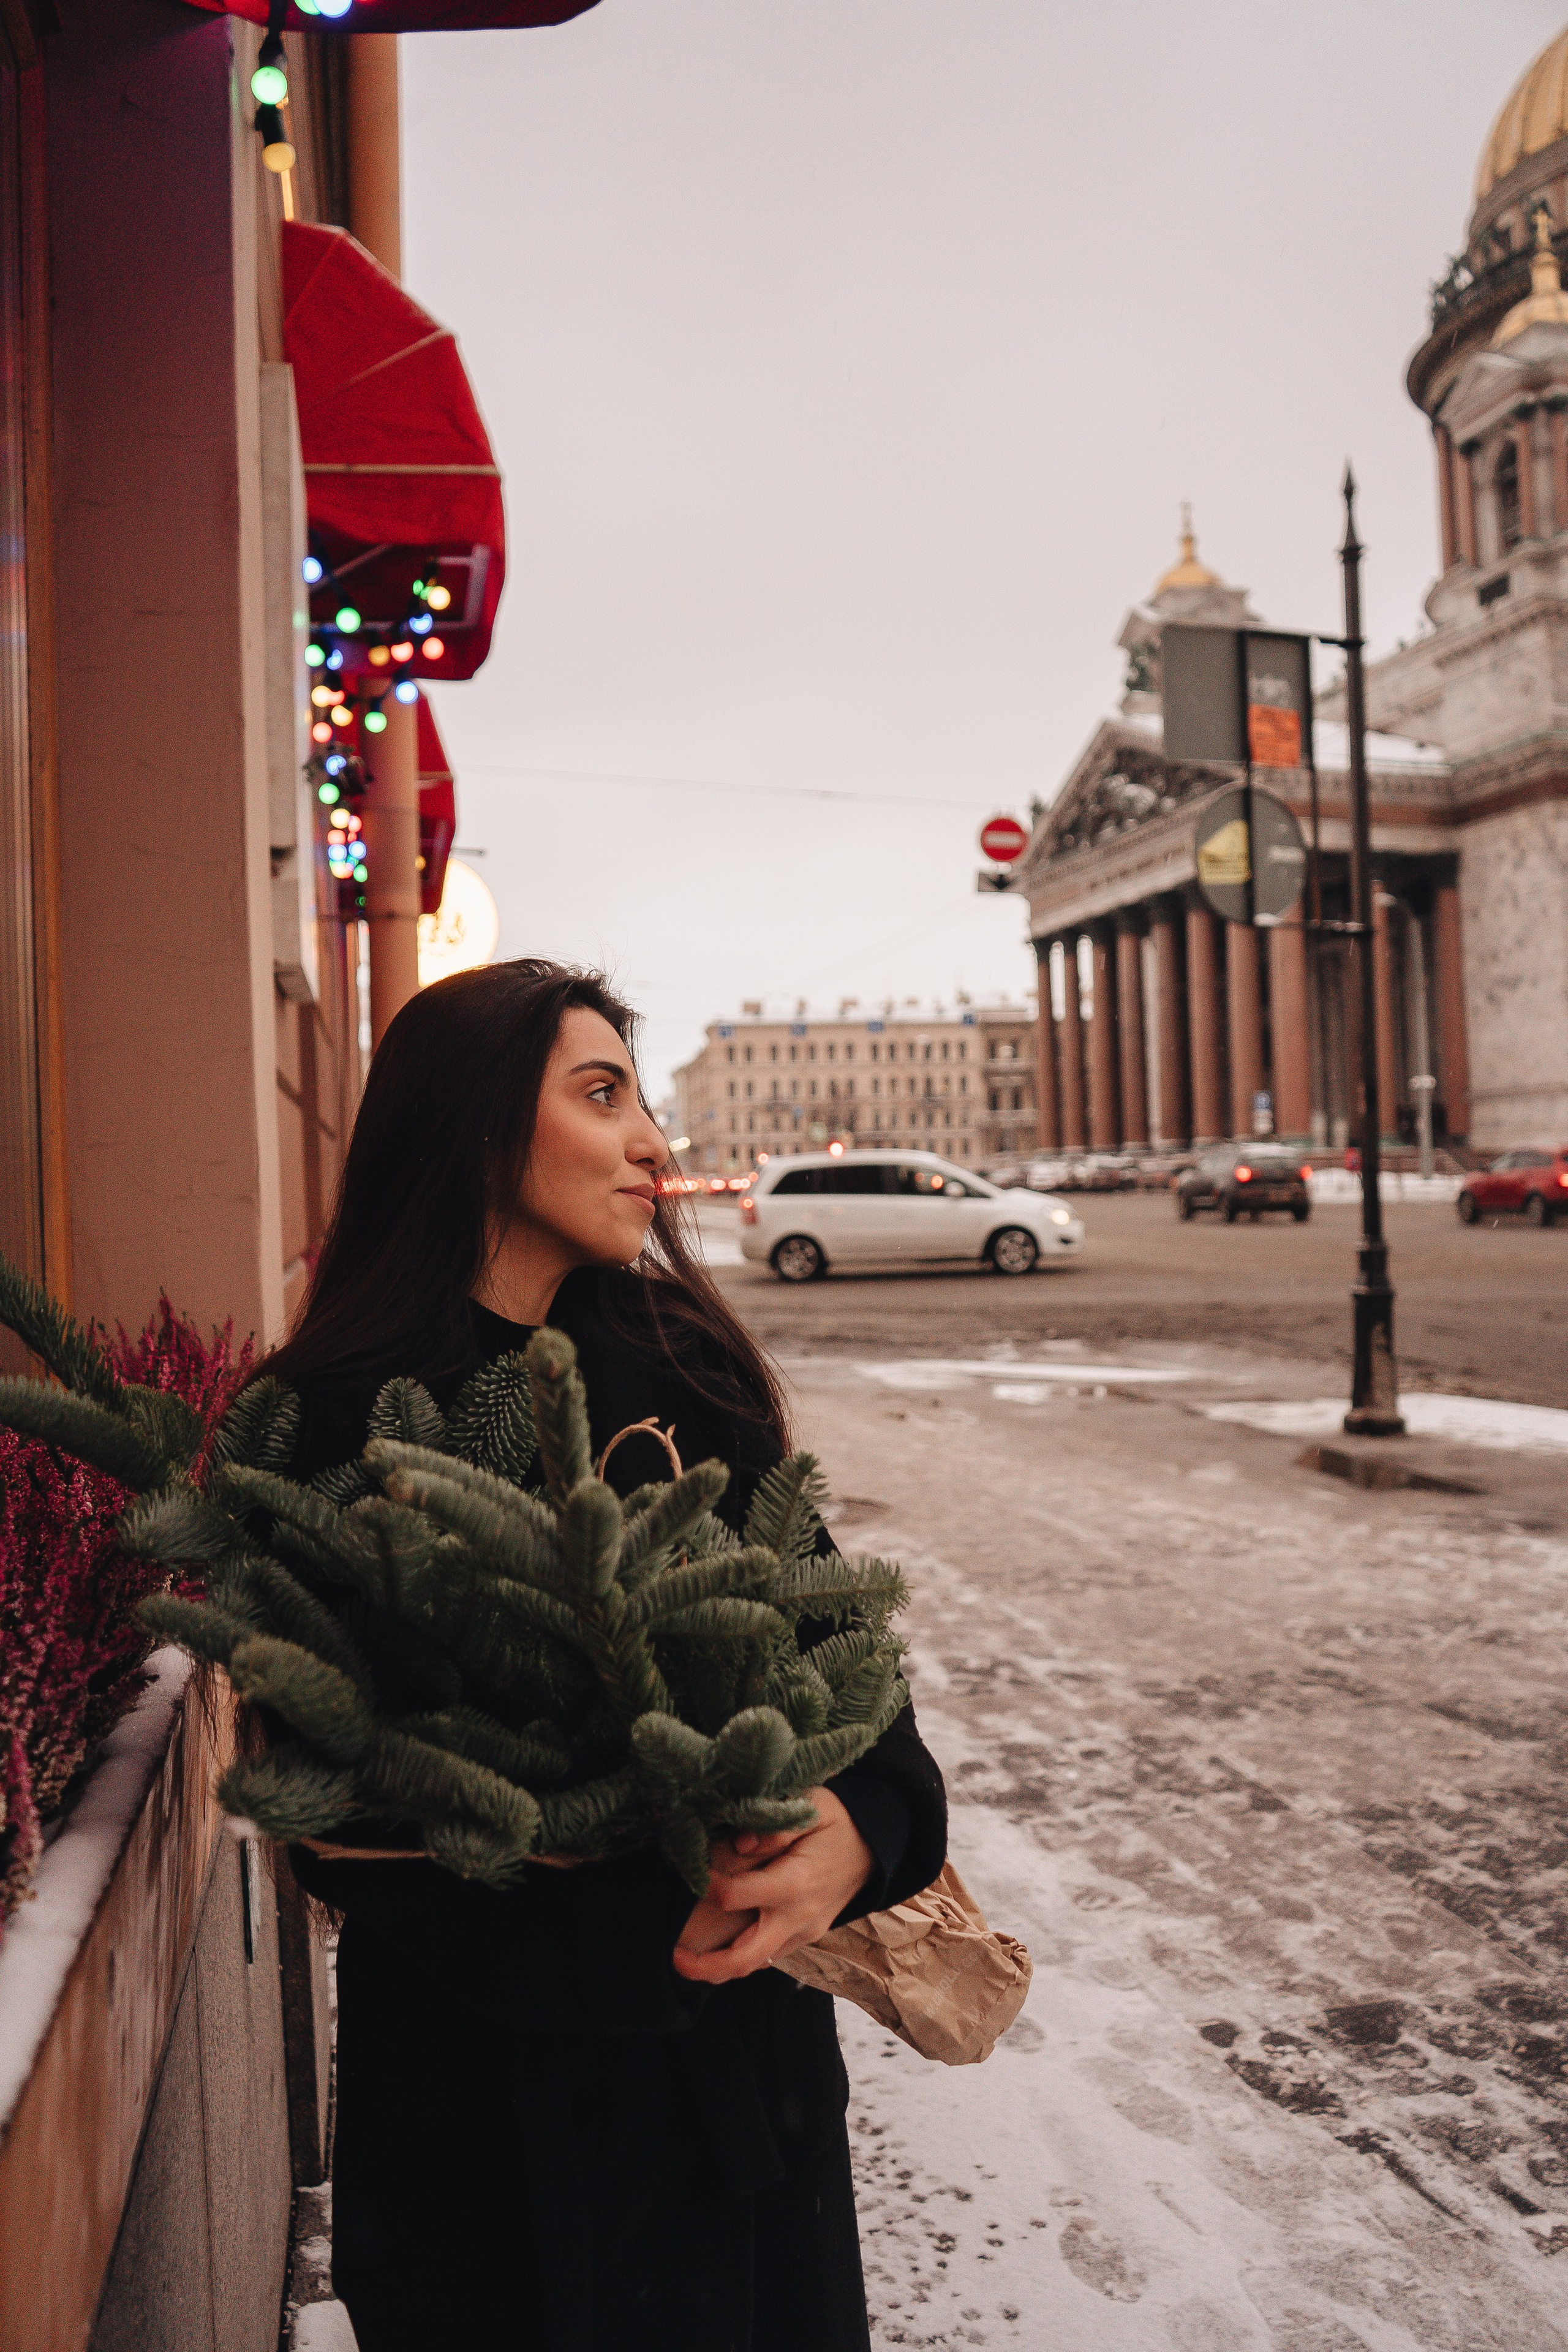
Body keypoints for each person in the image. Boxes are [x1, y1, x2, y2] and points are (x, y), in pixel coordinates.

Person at [272, 958, 948, 2352]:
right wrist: (616, 1902)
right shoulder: (330, 1420)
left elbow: (853, 1670)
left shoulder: (671, 1364)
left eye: (640, 1098)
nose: (652, 1141)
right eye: (600, 1095)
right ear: (471, 1128)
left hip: (740, 2108)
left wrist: (860, 1830)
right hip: (487, 2133)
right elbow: (324, 1810)